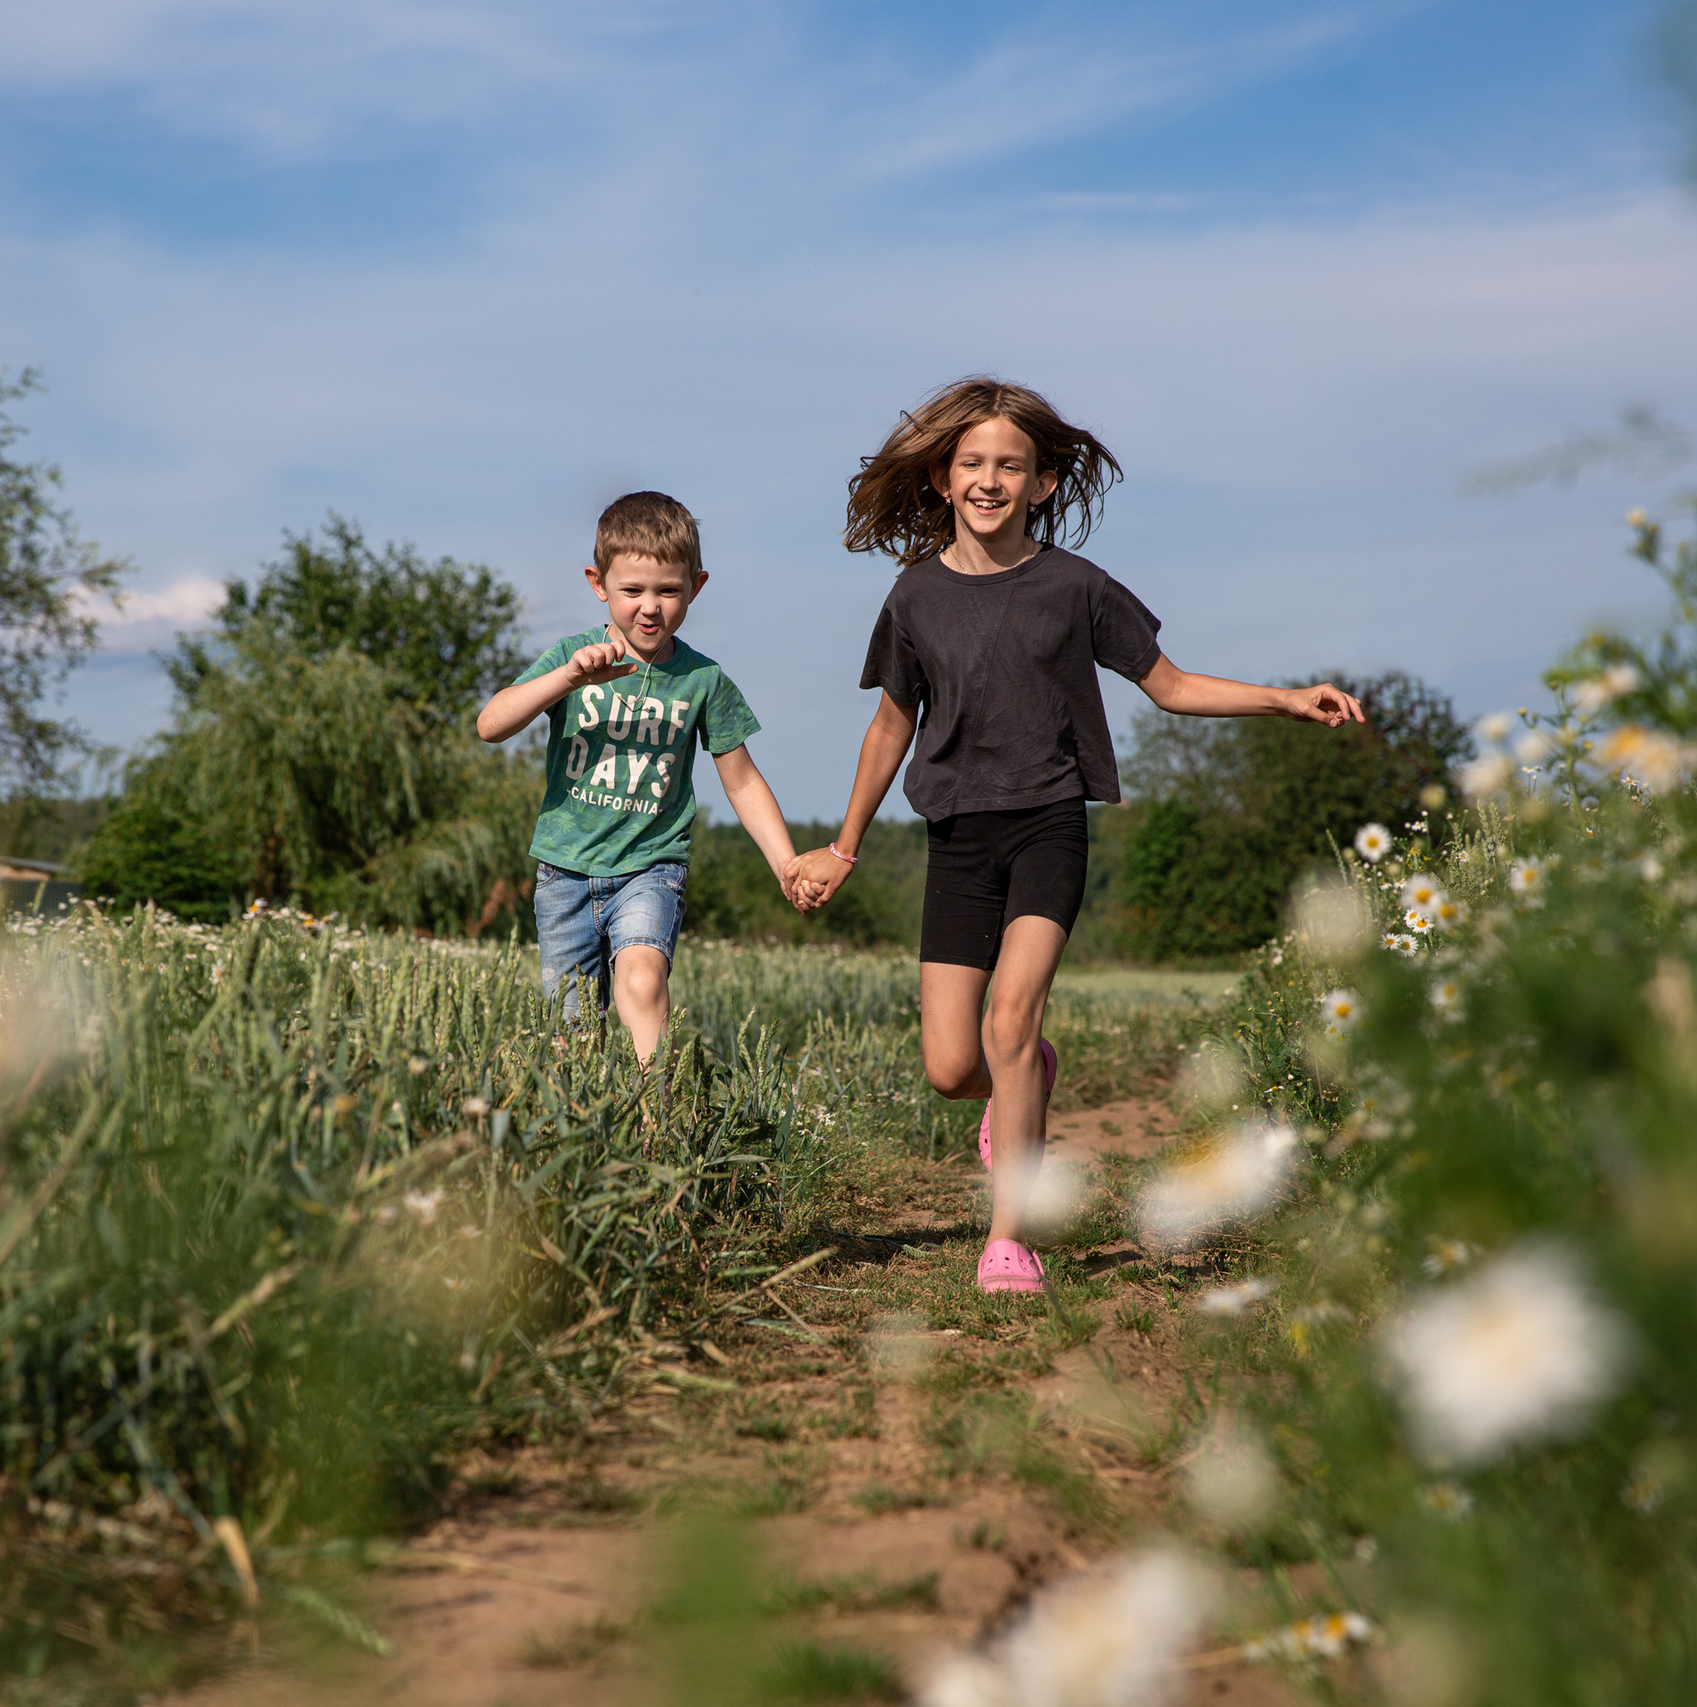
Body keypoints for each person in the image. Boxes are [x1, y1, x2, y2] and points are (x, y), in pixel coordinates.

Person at [789, 378, 1363, 1294]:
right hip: (957, 836)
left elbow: (1171, 685)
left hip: (1049, 824)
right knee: (952, 1066)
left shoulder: (1076, 587)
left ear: (1044, 482)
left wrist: (1285, 698)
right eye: (972, 463)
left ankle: (1007, 1239)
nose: (990, 480)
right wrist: (843, 848)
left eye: (1010, 465)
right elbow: (890, 728)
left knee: (1010, 1019)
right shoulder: (915, 597)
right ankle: (1028, 1077)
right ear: (941, 478)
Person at [478, 491, 808, 1060]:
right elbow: (491, 724)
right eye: (632, 591)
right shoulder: (572, 656)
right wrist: (568, 679)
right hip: (564, 871)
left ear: (696, 587)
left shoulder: (703, 680)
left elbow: (742, 782)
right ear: (598, 584)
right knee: (573, 1040)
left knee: (642, 980)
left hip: (651, 867)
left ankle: (657, 1109)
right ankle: (591, 1115)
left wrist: (786, 864)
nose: (650, 608)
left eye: (668, 591)